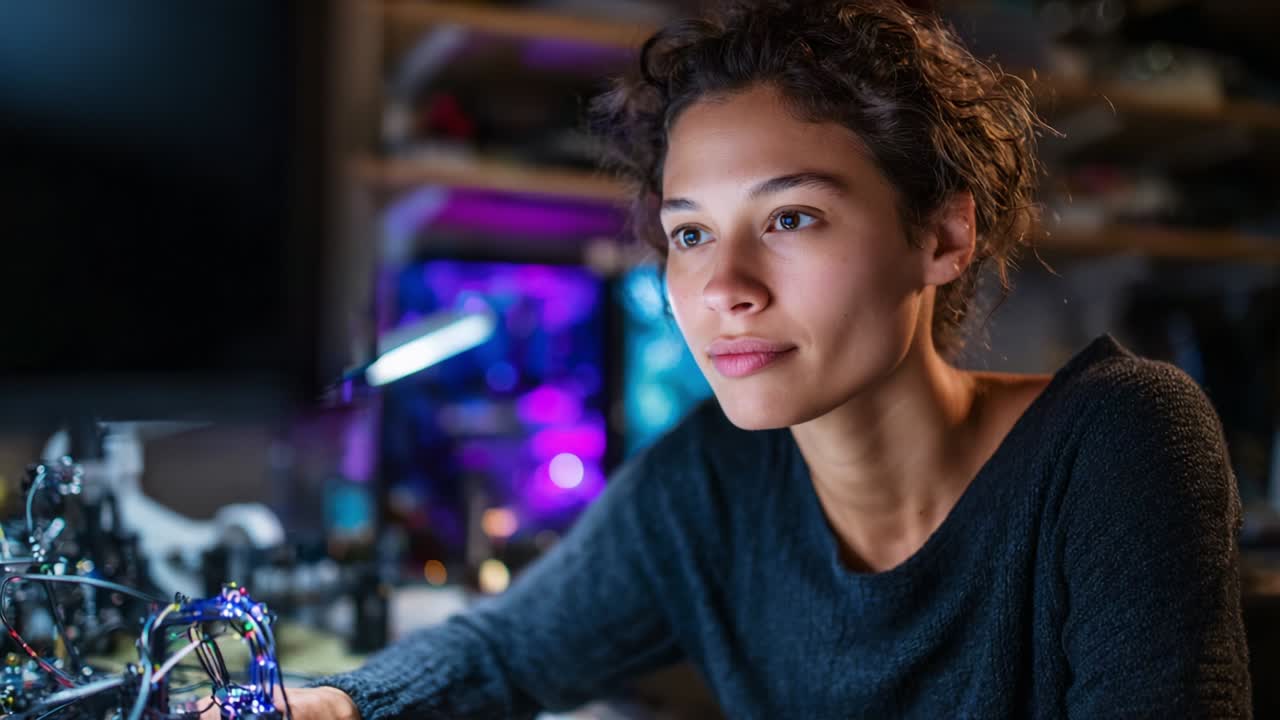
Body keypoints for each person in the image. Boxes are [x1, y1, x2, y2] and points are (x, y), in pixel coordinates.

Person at [252, 0, 1253, 717]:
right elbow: (504, 649)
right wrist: (338, 703)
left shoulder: (1117, 440)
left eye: (791, 217)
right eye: (689, 234)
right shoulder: (709, 481)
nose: (722, 286)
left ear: (943, 238)